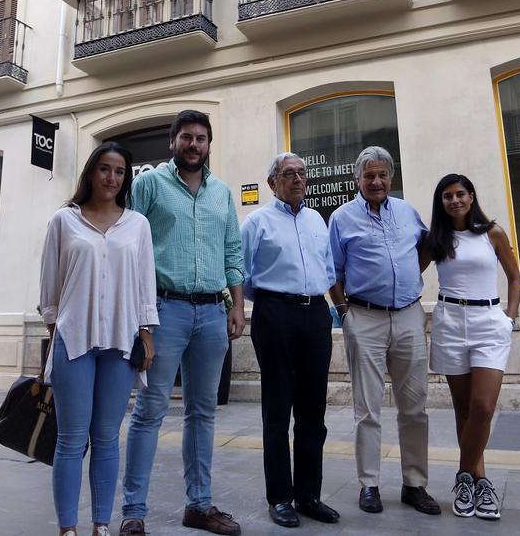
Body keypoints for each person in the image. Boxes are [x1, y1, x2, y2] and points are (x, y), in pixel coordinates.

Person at [120, 110, 246, 536]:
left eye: (201, 138)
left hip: (212, 313)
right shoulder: (149, 185)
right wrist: (137, 316)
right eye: (187, 137)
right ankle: (133, 511)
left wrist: (237, 305)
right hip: (163, 310)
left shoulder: (222, 192)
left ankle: (199, 505)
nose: (194, 145)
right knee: (149, 411)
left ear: (209, 144)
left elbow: (232, 252)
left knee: (203, 412)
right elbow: (128, 244)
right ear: (172, 142)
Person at [40, 142, 158, 536]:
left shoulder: (138, 225)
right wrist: (55, 330)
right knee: (71, 440)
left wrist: (147, 332)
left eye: (120, 171)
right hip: (74, 340)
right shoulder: (64, 220)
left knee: (107, 438)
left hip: (121, 340)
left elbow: (145, 283)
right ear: (91, 172)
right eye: (105, 169)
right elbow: (50, 286)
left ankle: (100, 526)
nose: (112, 178)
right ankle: (67, 529)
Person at [327, 146, 441, 516]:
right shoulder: (341, 218)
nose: (376, 181)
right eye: (369, 176)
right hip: (364, 317)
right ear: (357, 179)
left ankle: (415, 484)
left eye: (382, 175)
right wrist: (344, 312)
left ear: (391, 178)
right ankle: (369, 484)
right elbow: (333, 272)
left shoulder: (407, 212)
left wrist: (406, 278)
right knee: (367, 408)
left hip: (408, 315)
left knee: (415, 406)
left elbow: (426, 248)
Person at [240, 153, 341, 528]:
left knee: (313, 411)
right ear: (272, 182)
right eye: (288, 174)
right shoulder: (256, 222)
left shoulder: (317, 219)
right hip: (275, 313)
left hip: (316, 314)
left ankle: (309, 495)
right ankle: (280, 497)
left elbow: (327, 269)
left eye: (302, 173)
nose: (298, 179)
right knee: (278, 409)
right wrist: (273, 303)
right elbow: (242, 273)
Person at [420, 174, 520, 520]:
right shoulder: (436, 240)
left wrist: (509, 318)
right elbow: (410, 274)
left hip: (489, 322)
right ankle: (479, 482)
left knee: (482, 407)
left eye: (460, 194)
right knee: (463, 410)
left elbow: (515, 277)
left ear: (471, 196)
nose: (455, 201)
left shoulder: (492, 233)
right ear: (441, 203)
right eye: (447, 196)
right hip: (450, 322)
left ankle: (464, 476)